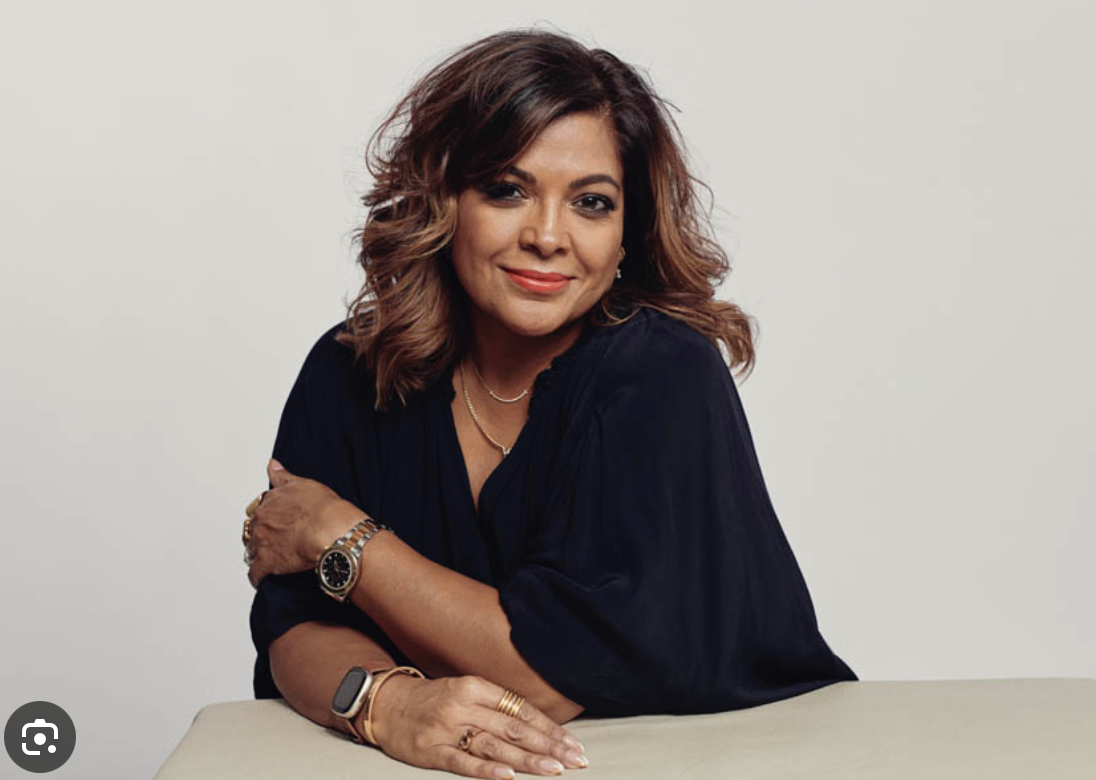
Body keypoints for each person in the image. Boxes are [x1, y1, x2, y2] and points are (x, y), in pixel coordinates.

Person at [242, 26, 857, 780]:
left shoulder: (665, 377)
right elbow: (295, 622)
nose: (546, 236)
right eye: (507, 190)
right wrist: (386, 704)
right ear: (444, 200)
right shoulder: (349, 370)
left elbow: (550, 675)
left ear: (626, 231)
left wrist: (340, 533)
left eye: (591, 203)